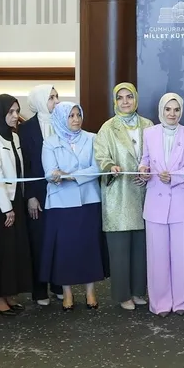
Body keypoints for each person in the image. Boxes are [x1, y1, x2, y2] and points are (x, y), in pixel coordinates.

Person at [40, 101, 107, 310]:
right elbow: (50, 172)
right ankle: (67, 293)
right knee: (64, 249)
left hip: (89, 200)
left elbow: (97, 168)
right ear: (62, 119)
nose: (76, 119)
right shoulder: (50, 142)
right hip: (60, 202)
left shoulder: (92, 138)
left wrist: (70, 175)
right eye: (71, 116)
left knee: (89, 246)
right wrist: (57, 175)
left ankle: (90, 292)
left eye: (78, 115)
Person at [139, 93, 184, 316]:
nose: (172, 114)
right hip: (155, 202)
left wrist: (173, 177)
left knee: (182, 254)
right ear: (161, 111)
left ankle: (183, 302)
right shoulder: (149, 133)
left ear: (181, 112)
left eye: (176, 109)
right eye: (168, 109)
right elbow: (144, 160)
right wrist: (143, 171)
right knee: (157, 256)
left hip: (182, 201)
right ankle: (160, 303)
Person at [94, 83, 153, 310]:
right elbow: (101, 156)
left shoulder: (148, 125)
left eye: (129, 96)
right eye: (120, 97)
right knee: (119, 249)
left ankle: (138, 291)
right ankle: (122, 295)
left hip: (144, 193)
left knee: (141, 248)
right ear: (115, 101)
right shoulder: (108, 127)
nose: (125, 101)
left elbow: (156, 156)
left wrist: (149, 173)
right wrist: (110, 166)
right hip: (119, 193)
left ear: (136, 99)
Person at [0, 94, 34, 316]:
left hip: (16, 199)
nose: (15, 116)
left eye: (17, 111)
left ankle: (10, 293)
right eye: (10, 112)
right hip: (2, 203)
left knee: (14, 250)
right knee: (0, 251)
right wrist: (6, 207)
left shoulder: (14, 136)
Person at [20, 84, 61, 306]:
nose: (56, 101)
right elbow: (26, 166)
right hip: (38, 193)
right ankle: (39, 290)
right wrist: (31, 196)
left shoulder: (63, 122)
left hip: (62, 191)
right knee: (38, 241)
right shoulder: (26, 129)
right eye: (51, 97)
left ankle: (58, 284)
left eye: (56, 96)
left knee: (58, 239)